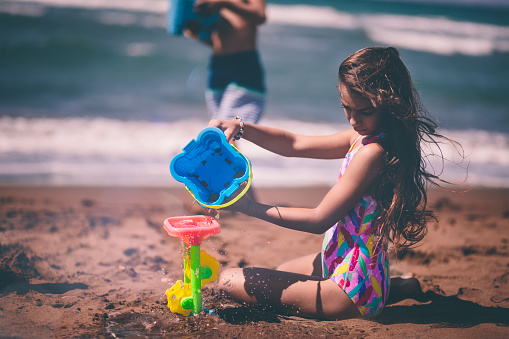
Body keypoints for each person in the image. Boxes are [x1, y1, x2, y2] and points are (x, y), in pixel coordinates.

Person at [208, 47, 457, 320]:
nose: (353, 120)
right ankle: (399, 286)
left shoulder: (374, 152)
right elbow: (294, 143)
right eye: (346, 108)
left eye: (364, 111)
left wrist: (246, 206)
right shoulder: (363, 137)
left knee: (229, 281)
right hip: (343, 262)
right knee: (280, 269)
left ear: (390, 102)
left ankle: (377, 296)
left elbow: (318, 220)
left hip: (350, 289)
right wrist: (240, 126)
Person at [185, 0, 267, 124]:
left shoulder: (220, 2)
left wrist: (223, 3)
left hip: (243, 64)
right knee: (220, 126)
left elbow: (260, 14)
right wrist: (197, 32)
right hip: (217, 66)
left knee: (229, 127)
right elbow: (218, 41)